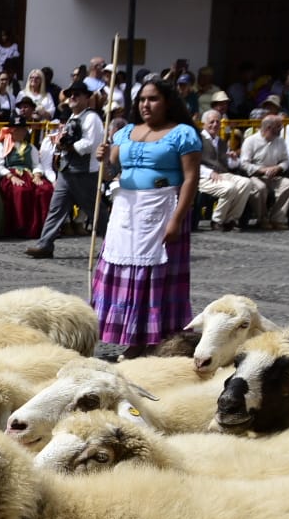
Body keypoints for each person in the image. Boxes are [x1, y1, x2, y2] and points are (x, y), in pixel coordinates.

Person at [90, 79, 202, 357]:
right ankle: (132, 338)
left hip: (161, 209)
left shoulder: (182, 133)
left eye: (153, 99)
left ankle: (153, 340)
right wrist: (103, 157)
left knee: (154, 278)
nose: (145, 105)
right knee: (121, 275)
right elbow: (110, 168)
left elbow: (191, 178)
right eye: (141, 100)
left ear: (167, 102)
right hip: (127, 212)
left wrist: (177, 219)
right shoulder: (127, 131)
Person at [196, 109, 264, 231]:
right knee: (229, 188)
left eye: (218, 122)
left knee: (246, 183)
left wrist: (234, 158)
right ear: (204, 124)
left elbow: (231, 165)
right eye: (212, 122)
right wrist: (209, 173)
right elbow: (194, 163)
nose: (215, 125)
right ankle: (217, 220)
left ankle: (230, 219)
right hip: (204, 177)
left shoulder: (221, 142)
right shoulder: (198, 140)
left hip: (223, 174)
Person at [0, 113, 53, 239]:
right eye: (18, 129)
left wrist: (37, 175)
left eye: (23, 129)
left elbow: (36, 164)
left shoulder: (30, 147)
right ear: (11, 131)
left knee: (45, 189)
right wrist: (10, 176)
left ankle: (45, 227)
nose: (22, 132)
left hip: (29, 174)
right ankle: (21, 228)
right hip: (10, 175)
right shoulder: (1, 146)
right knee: (21, 191)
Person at [240, 114, 289, 230]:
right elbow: (244, 163)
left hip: (274, 176)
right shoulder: (250, 141)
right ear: (269, 128)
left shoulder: (280, 141)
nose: (281, 129)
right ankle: (263, 218)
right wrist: (261, 170)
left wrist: (278, 168)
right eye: (278, 127)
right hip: (256, 175)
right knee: (260, 188)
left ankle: (277, 218)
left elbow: (286, 160)